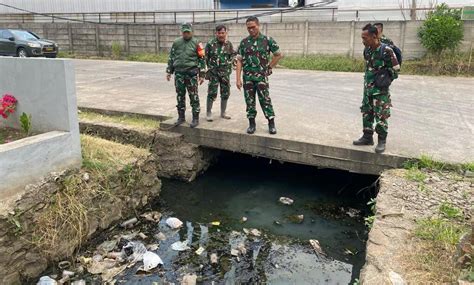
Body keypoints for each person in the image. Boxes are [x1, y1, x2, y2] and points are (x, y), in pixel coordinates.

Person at [353, 23, 400, 153]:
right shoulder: (367, 50)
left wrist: (385, 79)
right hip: (367, 88)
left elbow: (396, 70)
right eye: (362, 38)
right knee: (366, 111)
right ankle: (367, 137)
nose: (363, 41)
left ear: (374, 36)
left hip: (380, 90)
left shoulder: (386, 51)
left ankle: (381, 141)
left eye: (365, 38)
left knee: (381, 115)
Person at [236, 16, 283, 135]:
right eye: (248, 28)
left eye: (253, 27)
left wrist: (269, 67)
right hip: (247, 78)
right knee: (249, 101)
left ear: (258, 25)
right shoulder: (244, 42)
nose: (251, 30)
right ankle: (252, 124)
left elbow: (278, 54)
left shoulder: (267, 40)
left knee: (265, 100)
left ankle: (271, 123)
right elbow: (239, 61)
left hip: (261, 78)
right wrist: (237, 79)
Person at [166, 23, 206, 128]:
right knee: (180, 95)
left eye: (188, 32)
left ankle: (195, 118)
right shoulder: (176, 42)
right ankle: (181, 117)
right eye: (184, 32)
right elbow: (172, 57)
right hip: (179, 73)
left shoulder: (197, 43)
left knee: (193, 96)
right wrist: (169, 71)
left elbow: (202, 59)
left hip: (191, 73)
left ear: (191, 31)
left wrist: (202, 74)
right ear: (182, 32)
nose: (186, 34)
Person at [205, 24, 236, 122]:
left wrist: (233, 62)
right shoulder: (210, 44)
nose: (221, 35)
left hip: (225, 74)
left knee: (225, 93)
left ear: (226, 33)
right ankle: (208, 113)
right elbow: (205, 58)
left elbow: (233, 55)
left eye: (223, 33)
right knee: (211, 93)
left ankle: (223, 112)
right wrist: (207, 70)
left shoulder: (229, 44)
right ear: (216, 33)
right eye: (219, 33)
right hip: (213, 74)